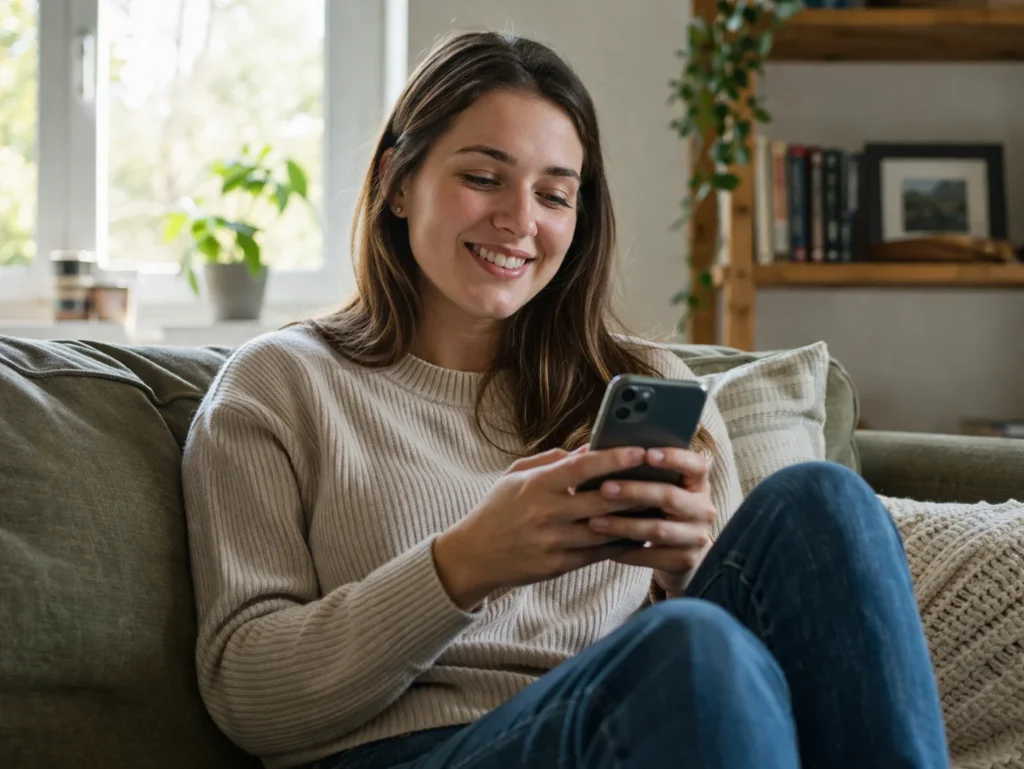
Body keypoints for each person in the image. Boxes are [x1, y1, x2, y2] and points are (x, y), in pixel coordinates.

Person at [182, 30, 950, 769]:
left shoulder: (651, 384)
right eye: (483, 177)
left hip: (632, 727)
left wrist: (686, 572)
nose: (520, 221)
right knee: (691, 647)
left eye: (555, 194)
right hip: (401, 753)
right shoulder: (278, 384)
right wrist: (466, 563)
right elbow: (248, 692)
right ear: (395, 183)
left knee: (824, 501)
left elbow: (744, 696)